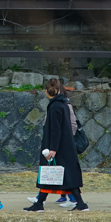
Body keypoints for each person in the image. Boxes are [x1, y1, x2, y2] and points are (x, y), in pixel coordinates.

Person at [27, 76, 87, 212]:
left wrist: (52, 148)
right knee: (65, 175)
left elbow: (56, 129)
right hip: (66, 145)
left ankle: (39, 204)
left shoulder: (54, 107)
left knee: (49, 173)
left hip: (57, 147)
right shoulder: (64, 104)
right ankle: (80, 203)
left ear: (47, 91)